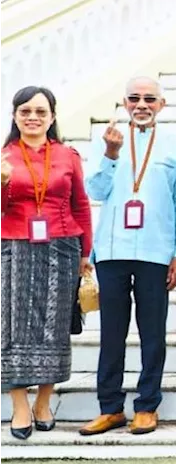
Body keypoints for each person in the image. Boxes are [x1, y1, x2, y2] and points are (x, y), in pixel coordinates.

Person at [80, 77, 176, 437]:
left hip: (156, 250)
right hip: (112, 250)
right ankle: (110, 407)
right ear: (124, 103)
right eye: (134, 98)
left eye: (149, 99)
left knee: (152, 332)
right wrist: (111, 155)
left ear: (162, 104)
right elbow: (95, 190)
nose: (141, 104)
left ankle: (147, 405)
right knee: (112, 333)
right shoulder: (107, 140)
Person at [0, 86, 93, 440]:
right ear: (14, 116)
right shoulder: (4, 156)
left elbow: (80, 205)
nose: (33, 118)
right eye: (25, 111)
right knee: (11, 328)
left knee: (53, 326)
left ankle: (43, 401)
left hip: (62, 247)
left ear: (52, 117)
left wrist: (86, 252)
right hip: (12, 246)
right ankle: (19, 406)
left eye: (40, 111)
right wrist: (2, 183)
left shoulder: (68, 155)